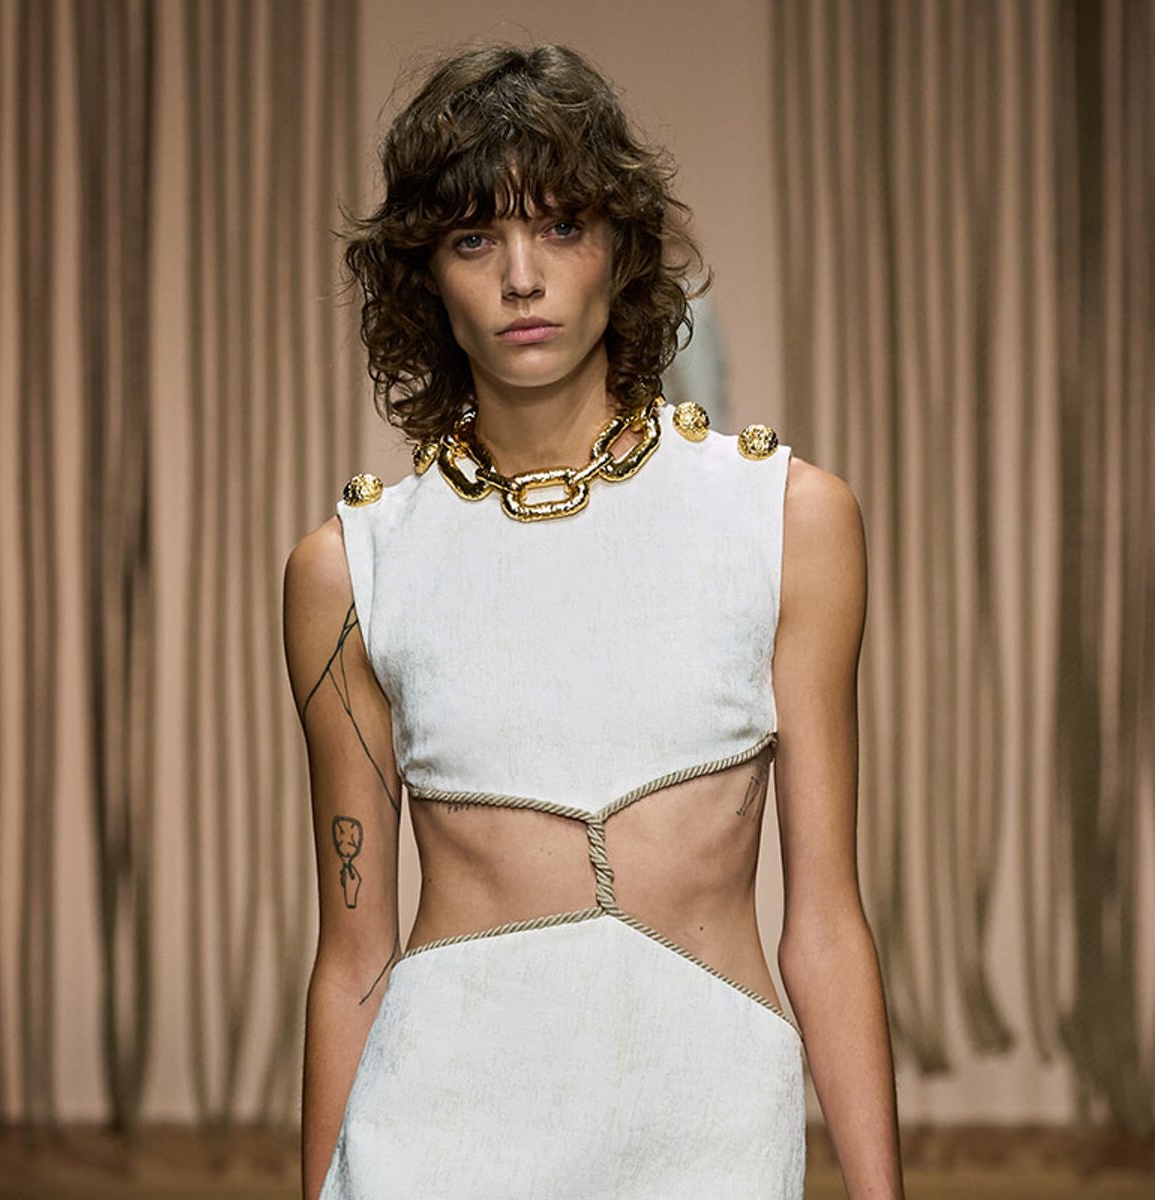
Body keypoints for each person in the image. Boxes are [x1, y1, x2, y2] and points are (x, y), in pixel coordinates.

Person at [283, 43, 904, 1200]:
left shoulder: (787, 520)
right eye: (475, 239)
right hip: (436, 1135)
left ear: (622, 248)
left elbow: (823, 920)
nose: (522, 277)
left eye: (561, 225)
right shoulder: (351, 570)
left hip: (705, 1129)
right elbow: (352, 958)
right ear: (426, 275)